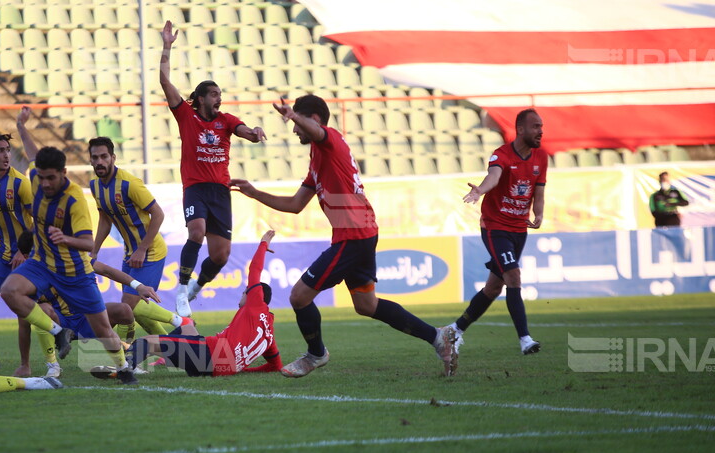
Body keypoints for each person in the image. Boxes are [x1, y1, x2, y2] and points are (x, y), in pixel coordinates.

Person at [230, 96, 457, 377]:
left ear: (313, 119)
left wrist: (293, 115)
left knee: (299, 297)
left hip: (353, 235)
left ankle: (316, 354)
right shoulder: (317, 158)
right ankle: (438, 338)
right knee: (367, 305)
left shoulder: (331, 140)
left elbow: (319, 132)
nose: (294, 130)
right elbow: (295, 205)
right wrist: (255, 193)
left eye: (297, 123)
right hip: (358, 233)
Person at [0, 107, 139, 385]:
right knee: (9, 291)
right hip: (41, 264)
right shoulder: (38, 177)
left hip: (74, 272)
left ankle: (124, 368)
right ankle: (58, 332)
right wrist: (21, 125)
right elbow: (31, 153)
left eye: (52, 177)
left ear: (63, 173)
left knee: (103, 331)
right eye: (42, 176)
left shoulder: (74, 200)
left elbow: (87, 243)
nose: (46, 183)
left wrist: (65, 239)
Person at [160, 20, 267, 318]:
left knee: (220, 256)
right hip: (196, 188)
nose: (220, 98)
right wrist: (167, 46)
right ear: (202, 98)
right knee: (196, 232)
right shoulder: (186, 116)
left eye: (220, 94)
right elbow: (165, 83)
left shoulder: (227, 120)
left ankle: (196, 288)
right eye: (215, 94)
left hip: (221, 191)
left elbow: (245, 131)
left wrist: (256, 132)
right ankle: (181, 289)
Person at [92, 231, 282, 379]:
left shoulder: (255, 304)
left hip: (210, 356)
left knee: (146, 342)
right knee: (187, 327)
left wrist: (263, 244)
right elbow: (275, 366)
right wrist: (241, 369)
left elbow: (255, 268)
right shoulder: (269, 334)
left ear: (252, 294)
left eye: (244, 292)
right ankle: (161, 357)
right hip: (217, 366)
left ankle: (123, 369)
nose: (242, 297)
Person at [443, 108, 547, 356]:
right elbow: (494, 176)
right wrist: (480, 190)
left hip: (519, 229)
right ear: (520, 129)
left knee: (493, 288)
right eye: (535, 126)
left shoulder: (541, 158)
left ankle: (454, 331)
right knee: (513, 276)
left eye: (541, 126)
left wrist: (539, 213)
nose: (540, 131)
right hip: (496, 227)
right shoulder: (501, 155)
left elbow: (539, 189)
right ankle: (525, 340)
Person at [0, 132, 60, 377]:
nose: (6, 155)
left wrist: (23, 249)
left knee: (31, 312)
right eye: (0, 151)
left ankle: (52, 364)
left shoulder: (21, 183)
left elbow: (38, 220)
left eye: (8, 150)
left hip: (28, 253)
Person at [13, 229, 162, 375]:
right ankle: (53, 366)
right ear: (27, 256)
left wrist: (139, 286)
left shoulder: (70, 258)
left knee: (124, 310)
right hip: (59, 325)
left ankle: (128, 362)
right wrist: (24, 364)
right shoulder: (26, 278)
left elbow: (106, 271)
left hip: (88, 319)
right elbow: (24, 322)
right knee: (43, 309)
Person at [87, 136, 192, 341]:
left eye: (104, 156)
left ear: (113, 158)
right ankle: (169, 350)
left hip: (150, 252)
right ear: (90, 160)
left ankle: (127, 359)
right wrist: (94, 250)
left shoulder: (129, 184)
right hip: (130, 253)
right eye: (95, 157)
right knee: (134, 307)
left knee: (127, 307)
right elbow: (105, 220)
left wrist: (142, 249)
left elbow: (158, 214)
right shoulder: (95, 186)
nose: (100, 161)